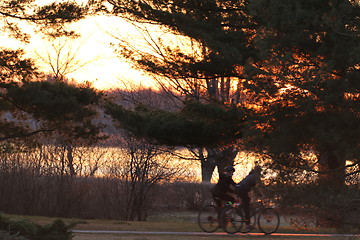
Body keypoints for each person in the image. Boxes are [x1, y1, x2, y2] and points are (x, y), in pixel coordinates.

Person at [235, 165, 262, 229]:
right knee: (246, 206)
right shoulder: (255, 177)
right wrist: (260, 195)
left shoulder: (250, 176)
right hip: (242, 189)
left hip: (237, 188)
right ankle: (248, 224)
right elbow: (255, 188)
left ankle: (238, 208)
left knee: (246, 201)